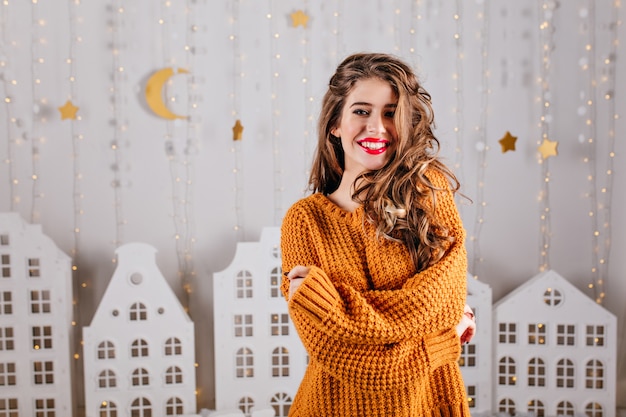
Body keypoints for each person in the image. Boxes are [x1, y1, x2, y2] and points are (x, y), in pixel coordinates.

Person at [280, 52, 475, 416]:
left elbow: (445, 303)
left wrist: (336, 305)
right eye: (361, 111)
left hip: (429, 403)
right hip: (331, 406)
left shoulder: (429, 192)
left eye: (391, 112)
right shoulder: (304, 222)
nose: (378, 127)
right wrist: (442, 341)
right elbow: (336, 351)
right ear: (335, 123)